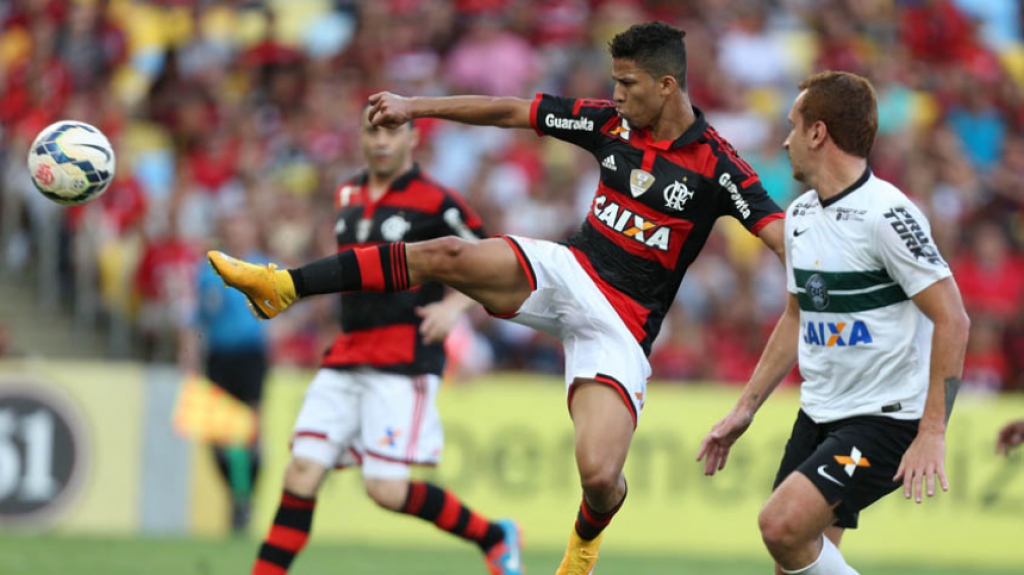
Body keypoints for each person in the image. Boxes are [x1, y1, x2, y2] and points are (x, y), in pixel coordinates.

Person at [212, 21, 786, 574]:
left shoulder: (719, 165)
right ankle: (283, 285)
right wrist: (417, 105)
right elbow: (511, 110)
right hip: (569, 269)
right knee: (447, 254)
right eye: (615, 82)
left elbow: (781, 238)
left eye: (627, 84)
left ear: (667, 86)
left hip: (622, 325)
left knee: (599, 476)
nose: (616, 94)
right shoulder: (610, 123)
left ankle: (582, 551)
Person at [697, 71, 971, 575]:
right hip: (821, 415)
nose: (784, 140)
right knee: (794, 562)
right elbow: (796, 317)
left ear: (818, 133)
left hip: (887, 419)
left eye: (792, 125)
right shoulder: (799, 216)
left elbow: (953, 317)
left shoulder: (887, 214)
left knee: (780, 526)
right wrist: (745, 408)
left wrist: (932, 430)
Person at [250, 107, 522, 575]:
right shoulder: (347, 192)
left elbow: (491, 260)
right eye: (371, 130)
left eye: (392, 131)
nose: (381, 141)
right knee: (300, 472)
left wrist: (452, 308)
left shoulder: (437, 201)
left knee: (386, 490)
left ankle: (494, 536)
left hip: (405, 355)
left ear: (413, 138)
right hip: (349, 350)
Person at [180, 211, 270, 533]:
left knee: (250, 434)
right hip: (218, 357)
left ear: (252, 232)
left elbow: (288, 308)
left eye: (243, 226)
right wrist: (188, 356)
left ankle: (244, 501)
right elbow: (196, 318)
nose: (238, 234)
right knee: (218, 439)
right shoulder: (209, 272)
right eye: (232, 227)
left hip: (251, 357)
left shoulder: (266, 267)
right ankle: (238, 496)